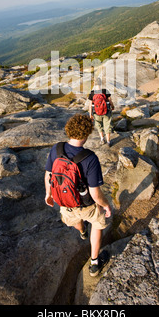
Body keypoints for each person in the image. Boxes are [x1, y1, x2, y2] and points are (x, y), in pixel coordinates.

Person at [44, 113, 112, 277]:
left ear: (68, 129)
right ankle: (94, 262)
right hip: (87, 205)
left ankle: (82, 231)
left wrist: (49, 194)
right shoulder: (90, 158)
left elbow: (48, 175)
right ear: (87, 134)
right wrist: (106, 205)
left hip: (65, 203)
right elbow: (95, 193)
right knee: (97, 224)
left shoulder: (57, 149)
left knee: (75, 220)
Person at [88, 78, 114, 147]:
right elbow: (110, 101)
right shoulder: (105, 91)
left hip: (96, 113)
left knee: (98, 125)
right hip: (106, 112)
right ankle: (108, 141)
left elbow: (90, 105)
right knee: (107, 125)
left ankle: (102, 139)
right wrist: (112, 106)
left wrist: (90, 114)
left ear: (94, 83)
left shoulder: (92, 93)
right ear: (101, 83)